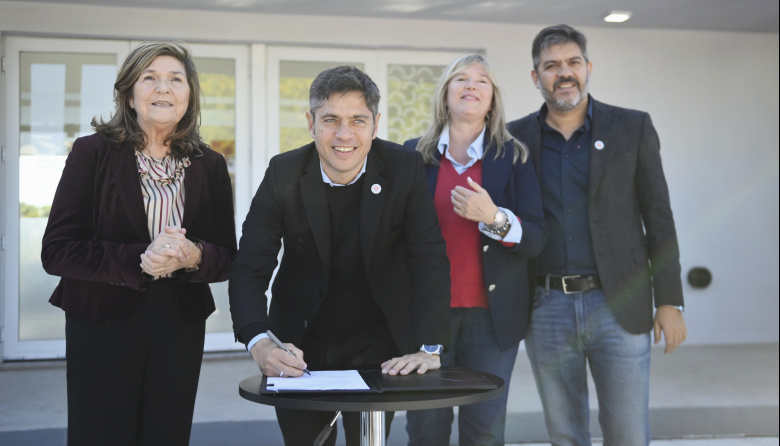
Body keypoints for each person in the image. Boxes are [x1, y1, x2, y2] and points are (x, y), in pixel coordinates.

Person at [228, 65, 451, 446]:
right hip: (298, 342)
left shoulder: (404, 168)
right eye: (330, 119)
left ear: (375, 124)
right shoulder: (283, 173)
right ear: (311, 122)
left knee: (369, 441)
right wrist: (258, 341)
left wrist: (430, 346)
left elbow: (427, 258)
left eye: (357, 120)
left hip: (379, 342)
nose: (344, 134)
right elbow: (251, 264)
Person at [41, 41, 237, 446]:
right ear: (130, 94)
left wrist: (195, 254)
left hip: (179, 322)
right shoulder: (92, 153)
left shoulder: (210, 164)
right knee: (101, 433)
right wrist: (139, 259)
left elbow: (227, 256)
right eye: (150, 78)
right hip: (102, 320)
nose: (163, 88)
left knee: (167, 433)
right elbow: (57, 249)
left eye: (175, 79)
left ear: (189, 95)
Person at [507, 24, 687, 446]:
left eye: (572, 63)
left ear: (588, 68)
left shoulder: (632, 127)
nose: (563, 73)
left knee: (627, 433)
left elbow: (659, 218)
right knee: (565, 433)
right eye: (551, 66)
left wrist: (670, 300)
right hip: (545, 307)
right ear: (536, 77)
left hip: (620, 302)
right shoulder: (514, 139)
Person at [403, 54, 547, 446]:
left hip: (493, 319)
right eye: (460, 79)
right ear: (446, 94)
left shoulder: (514, 157)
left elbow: (536, 238)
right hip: (428, 316)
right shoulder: (414, 155)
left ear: (492, 98)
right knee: (425, 426)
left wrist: (494, 217)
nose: (471, 86)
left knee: (484, 428)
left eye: (482, 80)